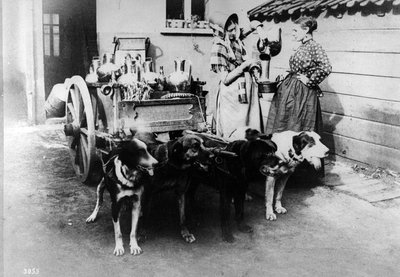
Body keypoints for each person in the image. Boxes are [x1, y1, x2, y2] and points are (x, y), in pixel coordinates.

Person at [265, 16, 332, 135]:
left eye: (295, 30)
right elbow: (303, 66)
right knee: (284, 122)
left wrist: (310, 81)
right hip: (290, 89)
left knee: (297, 123)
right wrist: (289, 71)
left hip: (302, 92)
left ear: (306, 29)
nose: (293, 34)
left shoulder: (314, 46)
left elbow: (326, 67)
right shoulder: (302, 46)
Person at [209, 12, 266, 138]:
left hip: (246, 90)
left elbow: (252, 25)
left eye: (235, 29)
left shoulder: (235, 39)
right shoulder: (219, 47)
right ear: (221, 31)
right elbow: (225, 79)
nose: (234, 33)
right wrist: (245, 66)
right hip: (232, 95)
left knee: (250, 127)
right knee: (235, 130)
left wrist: (260, 29)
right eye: (230, 31)